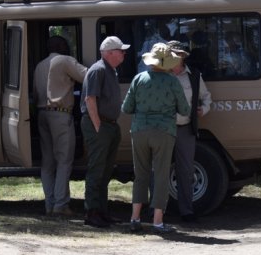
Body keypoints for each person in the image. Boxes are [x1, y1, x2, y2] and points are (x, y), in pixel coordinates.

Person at [122, 43, 190, 234]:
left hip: (140, 131)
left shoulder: (138, 79)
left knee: (140, 174)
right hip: (164, 132)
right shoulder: (172, 81)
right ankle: (158, 222)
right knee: (160, 175)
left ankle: (135, 218)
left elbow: (126, 108)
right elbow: (184, 110)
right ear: (168, 62)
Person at [32, 36, 88, 216]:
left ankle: (49, 204)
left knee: (47, 163)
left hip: (42, 113)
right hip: (60, 113)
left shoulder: (39, 65)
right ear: (62, 46)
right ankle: (61, 205)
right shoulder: (65, 60)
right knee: (64, 160)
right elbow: (87, 75)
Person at [81, 36, 130, 228]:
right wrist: (98, 126)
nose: (124, 53)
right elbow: (90, 99)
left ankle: (102, 212)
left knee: (106, 170)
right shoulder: (98, 70)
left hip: (109, 125)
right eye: (121, 50)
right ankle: (91, 212)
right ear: (110, 53)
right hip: (100, 125)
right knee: (97, 170)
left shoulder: (111, 70)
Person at [168, 40, 212, 222]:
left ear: (184, 56)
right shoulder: (160, 73)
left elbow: (206, 97)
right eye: (173, 53)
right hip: (164, 129)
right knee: (159, 170)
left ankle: (187, 211)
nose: (176, 56)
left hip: (186, 128)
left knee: (186, 171)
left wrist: (204, 109)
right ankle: (156, 212)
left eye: (179, 54)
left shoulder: (193, 75)